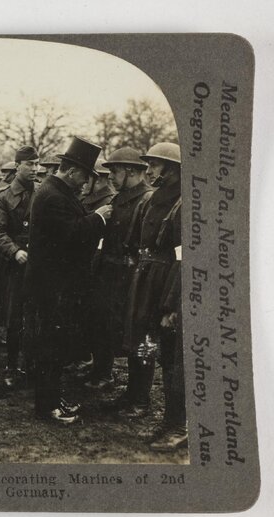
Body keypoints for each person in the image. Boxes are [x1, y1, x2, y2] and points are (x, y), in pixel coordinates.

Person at [23, 137, 111, 424]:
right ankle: (47, 407)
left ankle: (52, 399)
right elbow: (71, 235)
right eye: (85, 176)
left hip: (55, 285)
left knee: (55, 346)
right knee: (50, 347)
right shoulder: (53, 196)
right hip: (52, 287)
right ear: (73, 171)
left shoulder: (57, 191)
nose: (86, 183)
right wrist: (99, 218)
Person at [118, 142, 185, 451]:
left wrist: (172, 304)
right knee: (145, 345)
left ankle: (179, 425)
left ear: (171, 169)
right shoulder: (153, 200)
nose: (151, 170)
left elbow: (185, 259)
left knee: (174, 358)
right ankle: (164, 419)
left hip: (169, 284)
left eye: (156, 165)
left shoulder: (185, 204)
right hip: (146, 280)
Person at [84, 148, 151, 390]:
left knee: (136, 335)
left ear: (131, 171)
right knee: (102, 324)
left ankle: (138, 396)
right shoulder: (117, 199)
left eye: (114, 171)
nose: (109, 175)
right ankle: (103, 374)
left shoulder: (146, 200)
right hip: (109, 274)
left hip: (132, 278)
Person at [0, 146, 40, 389]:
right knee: (14, 317)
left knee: (37, 316)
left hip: (40, 263)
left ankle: (33, 365)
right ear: (17, 165)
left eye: (36, 164)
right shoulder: (3, 197)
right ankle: (11, 365)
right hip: (14, 266)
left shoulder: (43, 192)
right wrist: (14, 250)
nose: (34, 169)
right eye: (29, 164)